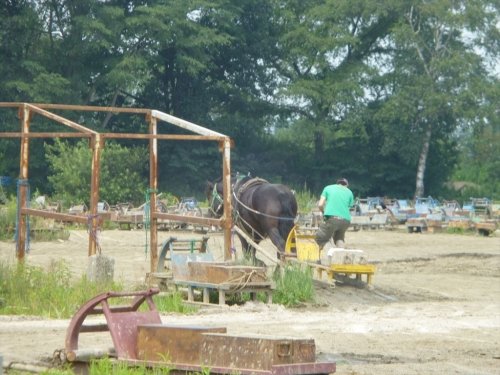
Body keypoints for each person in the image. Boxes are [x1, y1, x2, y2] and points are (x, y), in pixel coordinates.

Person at [315, 178, 354, 257]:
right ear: (346, 185)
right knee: (339, 238)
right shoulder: (349, 192)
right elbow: (349, 207)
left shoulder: (328, 188)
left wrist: (323, 212)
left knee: (320, 238)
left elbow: (320, 204)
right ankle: (342, 258)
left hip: (332, 218)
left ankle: (332, 256)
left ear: (337, 183)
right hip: (346, 220)